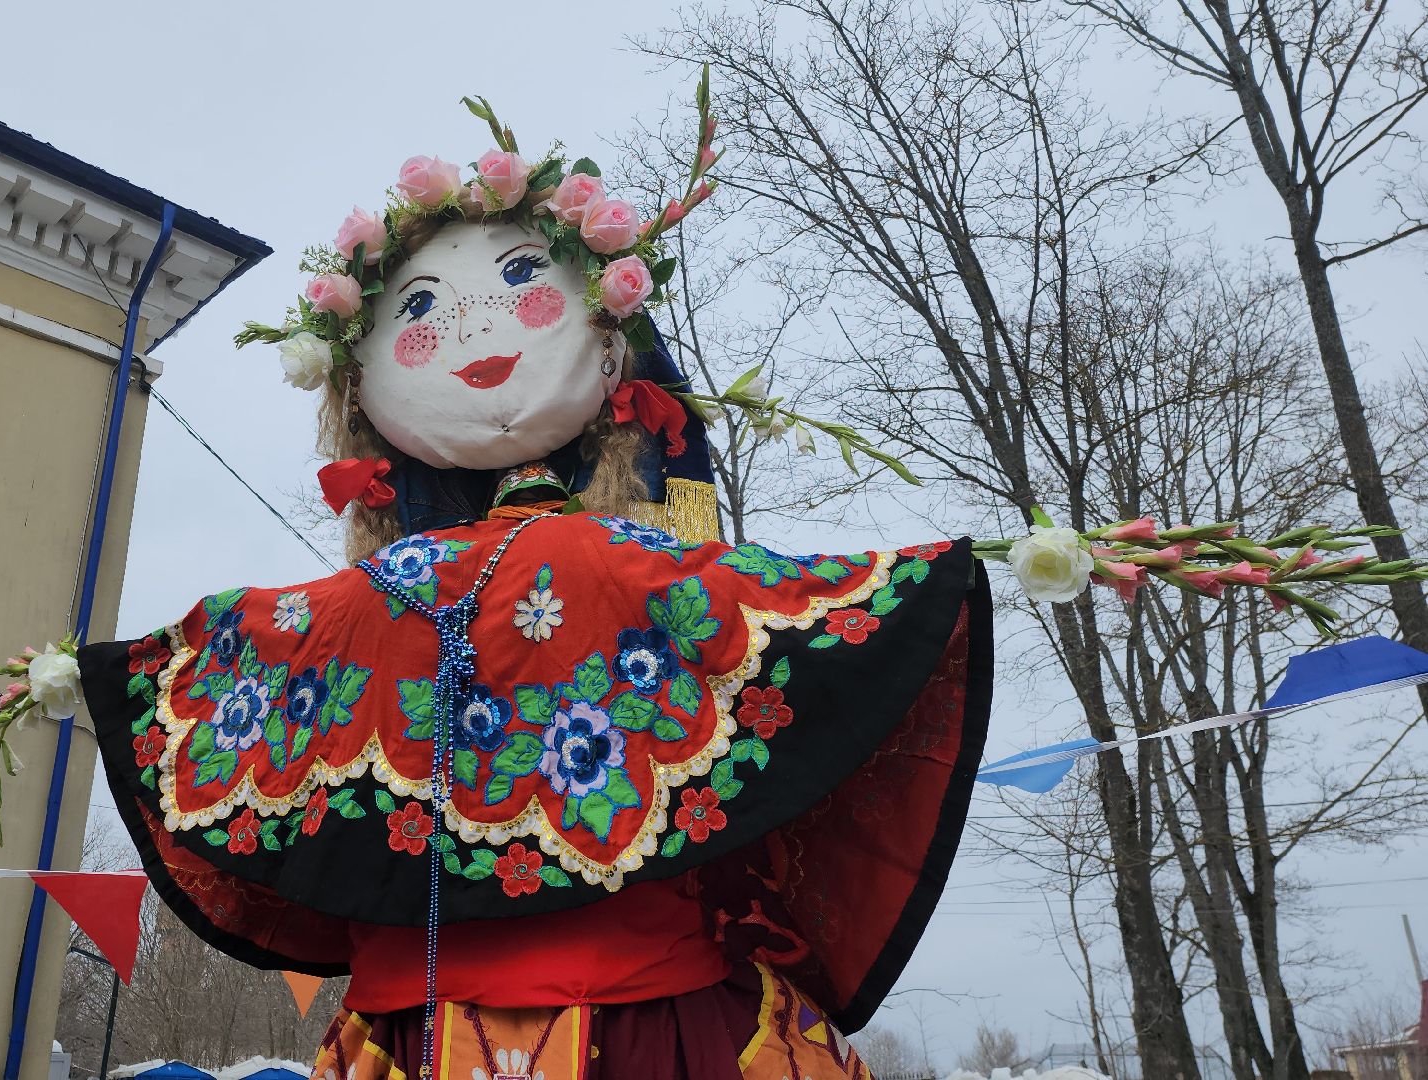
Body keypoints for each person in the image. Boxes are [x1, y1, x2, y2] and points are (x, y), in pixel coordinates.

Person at [64, 89, 994, 1080]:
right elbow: (806, 619)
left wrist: (95, 671)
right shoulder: (626, 571)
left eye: (520, 277)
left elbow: (230, 652)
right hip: (652, 1031)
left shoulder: (371, 601)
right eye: (420, 307)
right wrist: (954, 571)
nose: (473, 325)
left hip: (437, 1032)